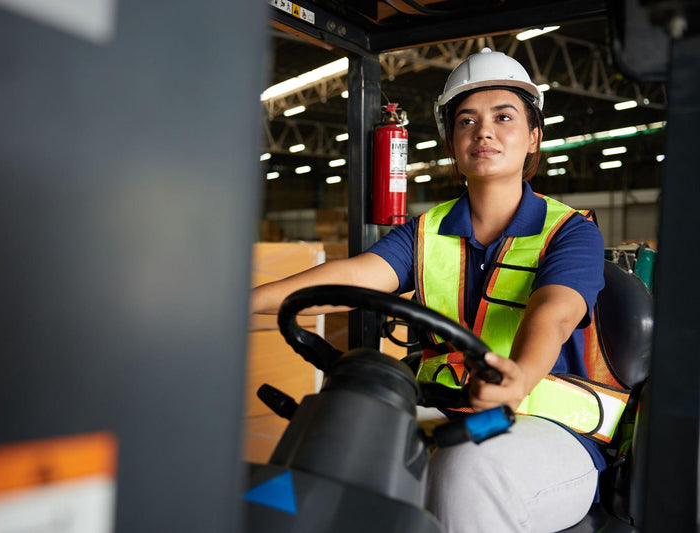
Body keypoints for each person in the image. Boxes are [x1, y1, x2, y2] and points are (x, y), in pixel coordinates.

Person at [251, 48, 609, 532]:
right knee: (336, 440)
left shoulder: (570, 231)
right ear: (451, 141)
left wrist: (517, 379)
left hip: (544, 429)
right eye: (466, 120)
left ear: (533, 138)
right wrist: (239, 304)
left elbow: (555, 312)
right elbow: (352, 279)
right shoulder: (425, 232)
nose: (483, 130)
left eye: (503, 117)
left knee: (466, 470)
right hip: (442, 410)